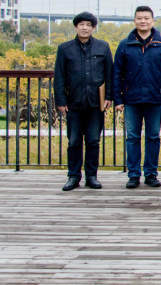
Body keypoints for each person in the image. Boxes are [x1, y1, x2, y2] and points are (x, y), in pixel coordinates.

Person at [113, 6, 161, 189]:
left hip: (155, 99)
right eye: (139, 18)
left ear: (153, 21)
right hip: (131, 99)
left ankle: (151, 174)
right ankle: (133, 174)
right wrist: (118, 99)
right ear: (134, 21)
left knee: (153, 137)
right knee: (132, 137)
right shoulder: (125, 44)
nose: (143, 21)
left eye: (146, 18)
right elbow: (117, 73)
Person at [54, 12, 113, 191]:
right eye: (81, 24)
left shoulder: (103, 47)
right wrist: (60, 101)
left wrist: (109, 97)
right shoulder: (65, 48)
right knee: (74, 141)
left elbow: (109, 74)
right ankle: (73, 176)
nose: (85, 28)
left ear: (94, 28)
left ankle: (91, 176)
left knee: (93, 141)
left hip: (96, 103)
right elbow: (59, 77)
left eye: (88, 25)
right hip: (73, 102)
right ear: (76, 27)